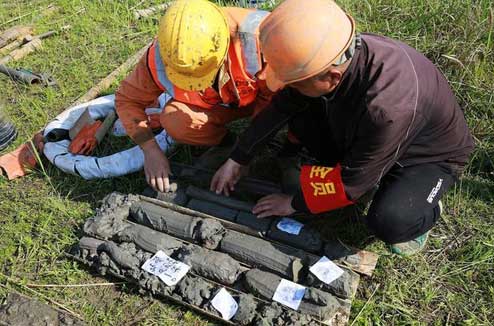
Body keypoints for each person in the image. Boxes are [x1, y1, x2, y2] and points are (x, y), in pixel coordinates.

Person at [211, 0, 474, 256]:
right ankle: (366, 166)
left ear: (331, 77)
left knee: (391, 222)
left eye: (296, 82)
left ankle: (426, 205)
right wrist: (239, 157)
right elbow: (282, 106)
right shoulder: (332, 52)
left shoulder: (386, 109)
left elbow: (351, 184)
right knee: (302, 113)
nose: (289, 87)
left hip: (426, 156)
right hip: (373, 133)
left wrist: (293, 203)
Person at [115, 0, 273, 193]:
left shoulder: (260, 39)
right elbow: (128, 100)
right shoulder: (162, 55)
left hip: (265, 99)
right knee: (174, 119)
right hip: (219, 103)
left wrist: (245, 155)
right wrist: (150, 149)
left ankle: (279, 155)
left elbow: (280, 102)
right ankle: (226, 144)